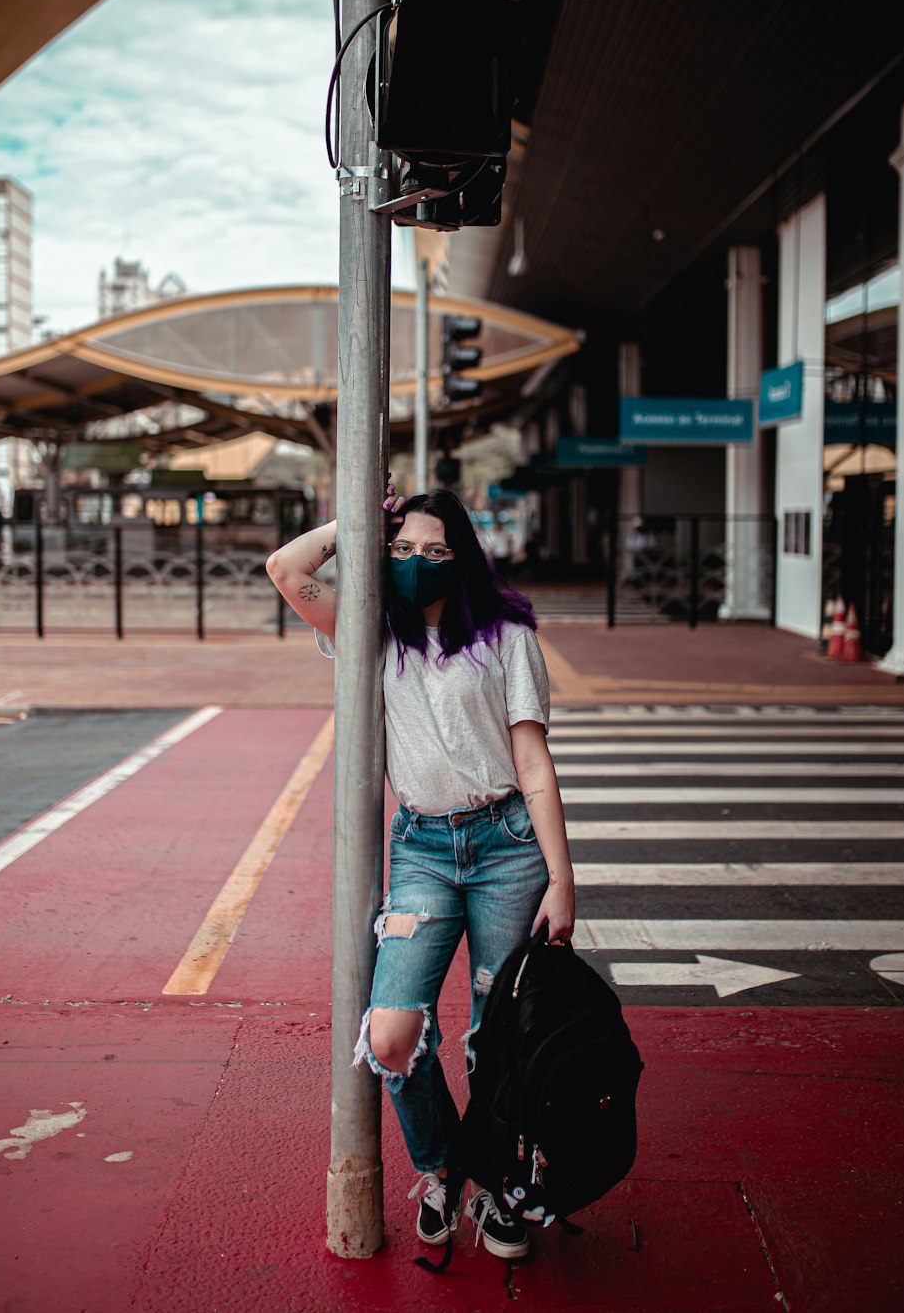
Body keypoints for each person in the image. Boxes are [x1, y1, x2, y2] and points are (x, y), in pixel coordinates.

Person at [266, 483, 574, 1261]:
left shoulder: (505, 637)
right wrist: (361, 519)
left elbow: (533, 761)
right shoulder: (372, 631)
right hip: (423, 851)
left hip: (508, 848)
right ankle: (443, 1169)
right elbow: (286, 566)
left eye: (435, 551)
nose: (415, 564)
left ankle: (502, 1185)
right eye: (401, 551)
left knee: (495, 1040)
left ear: (463, 556)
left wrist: (563, 881)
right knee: (395, 1032)